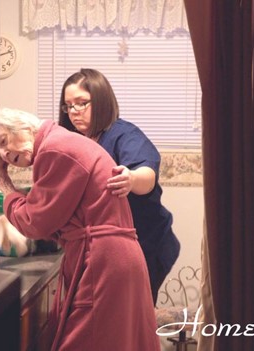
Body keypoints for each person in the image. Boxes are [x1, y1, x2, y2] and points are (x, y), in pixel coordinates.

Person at [0, 108, 159, 351]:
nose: (4, 154)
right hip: (114, 257)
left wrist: (3, 183)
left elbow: (34, 221)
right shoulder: (60, 142)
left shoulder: (54, 149)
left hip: (103, 260)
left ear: (24, 127)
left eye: (3, 141)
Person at [58, 68, 180, 305]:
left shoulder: (124, 134)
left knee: (131, 318)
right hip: (105, 249)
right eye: (68, 105)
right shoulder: (72, 140)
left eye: (82, 103)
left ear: (102, 100)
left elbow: (147, 175)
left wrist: (131, 179)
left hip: (147, 245)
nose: (74, 112)